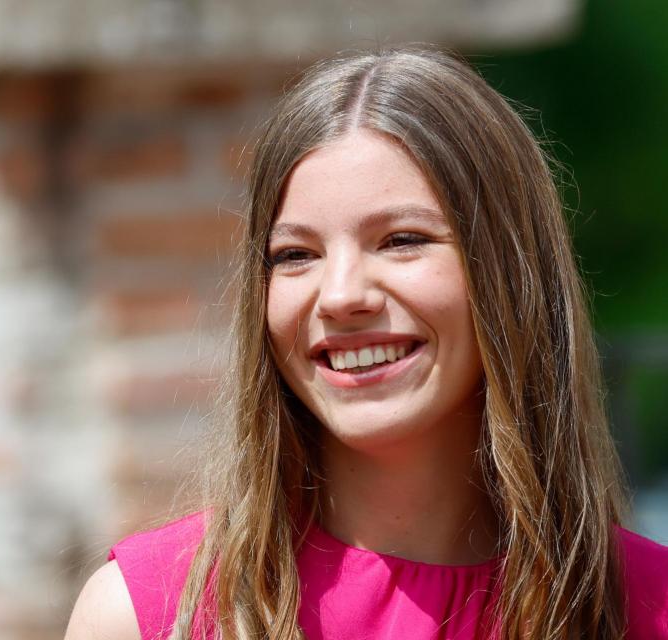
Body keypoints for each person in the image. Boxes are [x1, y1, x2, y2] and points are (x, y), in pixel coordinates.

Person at [65, 45, 668, 640]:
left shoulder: (648, 608)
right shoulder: (147, 617)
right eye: (295, 255)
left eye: (402, 239)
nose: (340, 295)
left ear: (512, 272)